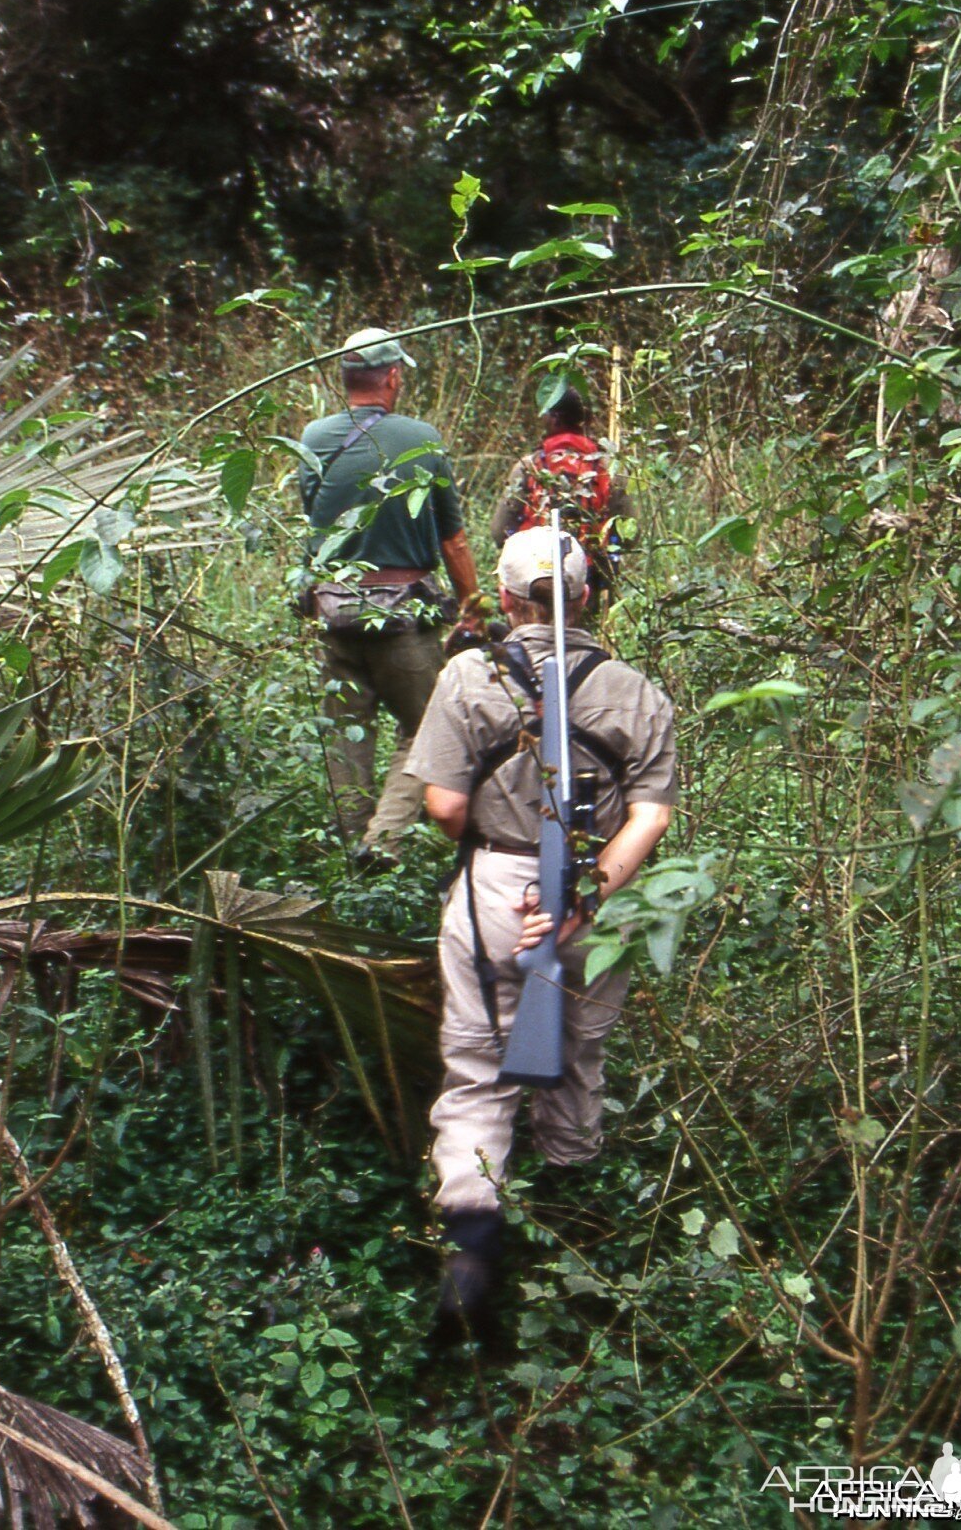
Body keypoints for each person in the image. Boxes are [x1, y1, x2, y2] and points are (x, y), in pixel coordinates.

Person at [404, 525, 676, 1329]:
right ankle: (572, 1206)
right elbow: (652, 814)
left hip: (494, 884)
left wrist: (505, 857)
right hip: (604, 893)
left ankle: (473, 1243)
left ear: (508, 599)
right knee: (577, 1049)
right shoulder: (635, 690)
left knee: (481, 1063)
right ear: (588, 595)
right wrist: (584, 894)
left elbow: (445, 807)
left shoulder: (467, 675)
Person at [299, 326, 480, 865]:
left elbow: (315, 518)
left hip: (332, 612)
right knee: (429, 728)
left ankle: (350, 848)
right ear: (393, 376)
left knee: (345, 736)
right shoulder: (421, 438)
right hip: (405, 616)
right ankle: (383, 842)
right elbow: (454, 539)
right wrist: (474, 604)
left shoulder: (313, 438)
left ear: (345, 378)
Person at [491, 387, 631, 596]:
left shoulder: (529, 466)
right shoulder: (609, 468)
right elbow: (629, 534)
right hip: (589, 578)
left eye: (545, 414)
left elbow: (499, 531)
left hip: (534, 577)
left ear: (555, 418)